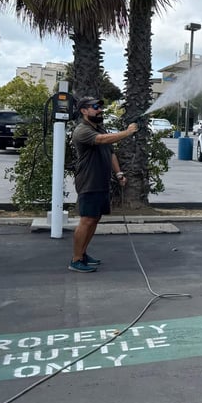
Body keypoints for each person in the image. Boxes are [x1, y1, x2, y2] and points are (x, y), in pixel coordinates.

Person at [69, 96, 138, 272]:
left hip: (101, 181)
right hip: (89, 181)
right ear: (84, 111)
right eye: (94, 107)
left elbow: (110, 152)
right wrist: (127, 132)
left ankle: (83, 254)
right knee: (86, 219)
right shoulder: (82, 130)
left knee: (95, 218)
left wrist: (119, 173)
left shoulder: (99, 128)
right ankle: (76, 260)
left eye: (100, 107)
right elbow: (101, 140)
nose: (99, 110)